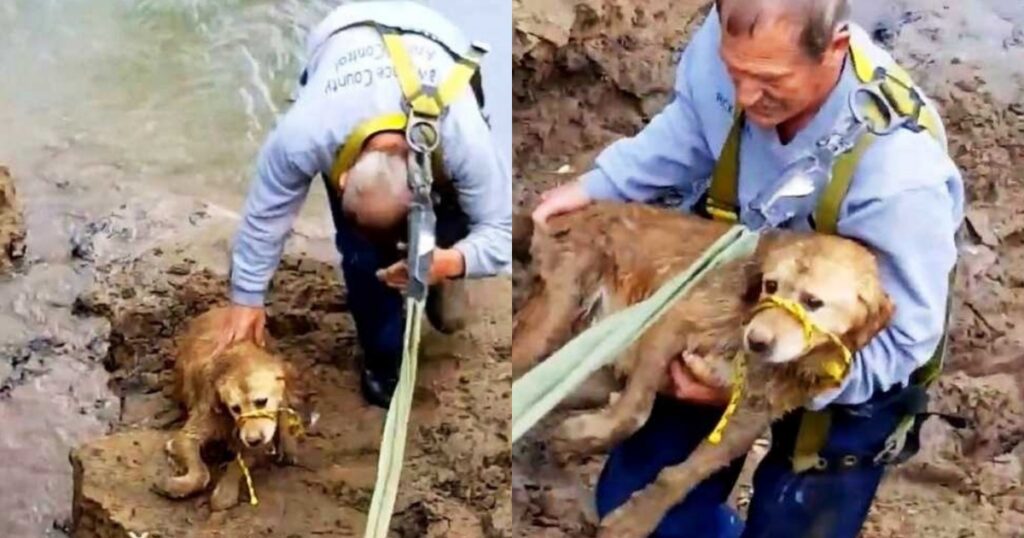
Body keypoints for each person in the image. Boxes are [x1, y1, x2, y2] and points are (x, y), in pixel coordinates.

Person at [532, 0, 964, 536]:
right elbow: (692, 125)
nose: (742, 95)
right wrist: (598, 184)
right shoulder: (733, 45)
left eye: (767, 81)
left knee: (796, 515)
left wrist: (756, 391)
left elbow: (905, 342)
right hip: (744, 297)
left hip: (852, 361)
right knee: (636, 508)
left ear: (835, 48)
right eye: (733, 72)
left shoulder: (900, 178)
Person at [219, 1, 512, 408]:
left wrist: (451, 261)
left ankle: (442, 275)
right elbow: (266, 217)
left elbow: (501, 233)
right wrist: (246, 298)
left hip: (434, 39)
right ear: (340, 179)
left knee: (454, 250)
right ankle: (383, 365)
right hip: (344, 35)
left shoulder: (464, 138)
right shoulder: (307, 133)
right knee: (363, 261)